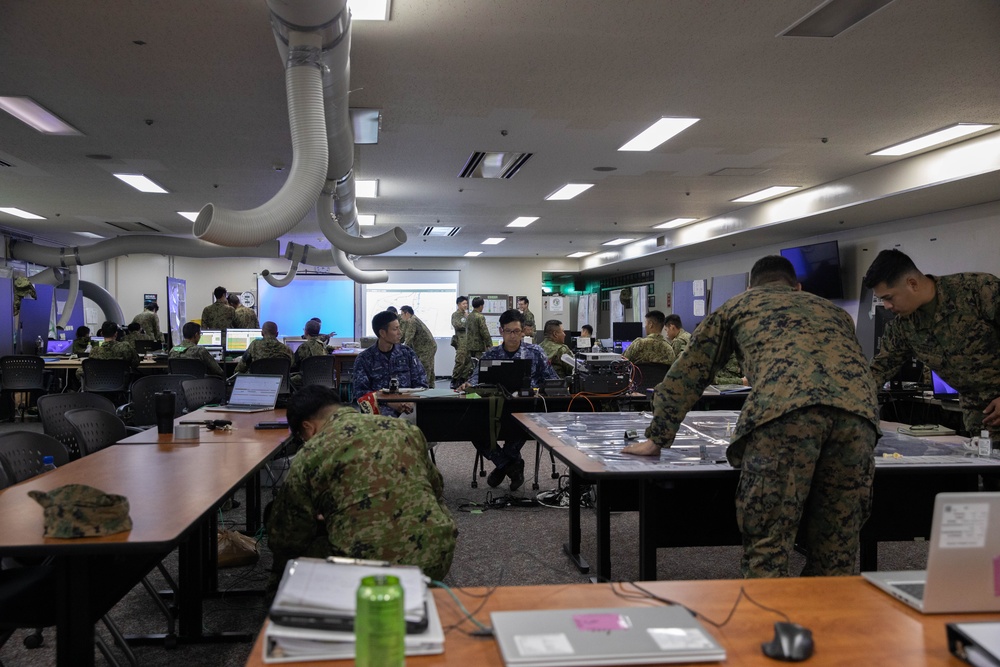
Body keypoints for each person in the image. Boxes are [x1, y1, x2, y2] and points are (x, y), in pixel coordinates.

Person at [623, 255, 879, 578]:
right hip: (858, 419)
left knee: (768, 544)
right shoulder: (836, 313)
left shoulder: (737, 307)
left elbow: (689, 372)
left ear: (750, 288)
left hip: (784, 415)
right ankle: (825, 609)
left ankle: (766, 611)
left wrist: (658, 436)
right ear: (798, 287)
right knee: (837, 546)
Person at [267, 385, 457, 595]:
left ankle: (286, 600)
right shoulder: (404, 429)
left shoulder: (310, 453)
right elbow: (436, 487)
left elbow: (287, 536)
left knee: (296, 546)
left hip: (365, 569)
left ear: (308, 427)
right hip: (435, 559)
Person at [864, 249, 1000, 439]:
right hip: (983, 417)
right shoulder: (903, 326)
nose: (886, 306)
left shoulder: (978, 290)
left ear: (912, 284)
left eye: (888, 297)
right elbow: (880, 368)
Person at [461, 309, 558, 491]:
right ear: (501, 331)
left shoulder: (535, 352)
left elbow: (552, 379)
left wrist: (542, 390)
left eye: (516, 331)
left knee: (522, 427)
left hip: (525, 412)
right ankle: (510, 465)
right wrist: (468, 384)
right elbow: (475, 378)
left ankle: (503, 465)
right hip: (494, 412)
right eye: (508, 331)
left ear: (523, 332)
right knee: (472, 429)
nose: (512, 336)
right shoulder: (491, 355)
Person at [352, 311, 428, 418]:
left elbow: (422, 383)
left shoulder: (407, 353)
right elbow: (360, 392)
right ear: (382, 333)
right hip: (380, 409)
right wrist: (390, 403)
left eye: (399, 328)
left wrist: (412, 402)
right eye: (395, 329)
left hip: (409, 407)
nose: (400, 332)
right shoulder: (364, 359)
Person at [399, 305, 438, 388]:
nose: (401, 317)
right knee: (429, 367)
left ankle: (425, 387)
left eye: (402, 314)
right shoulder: (411, 320)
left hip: (426, 348)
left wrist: (402, 350)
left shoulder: (412, 321)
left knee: (424, 367)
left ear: (407, 313)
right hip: (428, 347)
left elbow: (409, 337)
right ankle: (431, 387)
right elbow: (403, 336)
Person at [290, 319, 329, 389]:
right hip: (322, 379)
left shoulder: (303, 347)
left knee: (286, 380)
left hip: (306, 379)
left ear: (306, 332)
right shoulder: (323, 346)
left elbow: (293, 365)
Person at [465, 297, 493, 368]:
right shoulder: (480, 317)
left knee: (471, 366)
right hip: (478, 346)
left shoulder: (469, 316)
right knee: (480, 366)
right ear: (481, 306)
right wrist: (489, 344)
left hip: (469, 345)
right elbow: (484, 331)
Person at [449, 296, 470, 389]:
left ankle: (462, 380)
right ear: (458, 304)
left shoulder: (467, 314)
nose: (465, 305)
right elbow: (457, 325)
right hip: (461, 341)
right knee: (460, 361)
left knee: (468, 362)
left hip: (469, 342)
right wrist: (467, 321)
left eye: (466, 303)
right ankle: (454, 379)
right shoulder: (455, 315)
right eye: (463, 303)